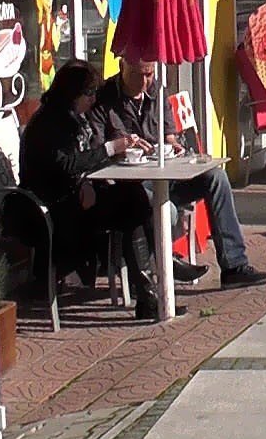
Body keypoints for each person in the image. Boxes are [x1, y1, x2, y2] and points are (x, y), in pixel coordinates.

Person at [95, 58, 266, 291]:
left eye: (149, 74)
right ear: (122, 66)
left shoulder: (157, 92)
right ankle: (166, 261)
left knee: (216, 177)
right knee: (165, 209)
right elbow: (99, 149)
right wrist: (122, 147)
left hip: (165, 174)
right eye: (137, 75)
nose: (144, 82)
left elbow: (170, 136)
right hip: (131, 185)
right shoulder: (105, 99)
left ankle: (234, 266)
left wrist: (176, 146)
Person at [19, 60, 172, 320]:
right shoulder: (50, 122)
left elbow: (81, 158)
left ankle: (148, 290)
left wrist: (88, 180)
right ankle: (148, 291)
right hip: (52, 208)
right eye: (89, 94)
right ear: (73, 93)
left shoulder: (70, 116)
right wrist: (111, 150)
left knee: (133, 199)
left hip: (73, 195)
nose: (94, 100)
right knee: (132, 202)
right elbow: (65, 163)